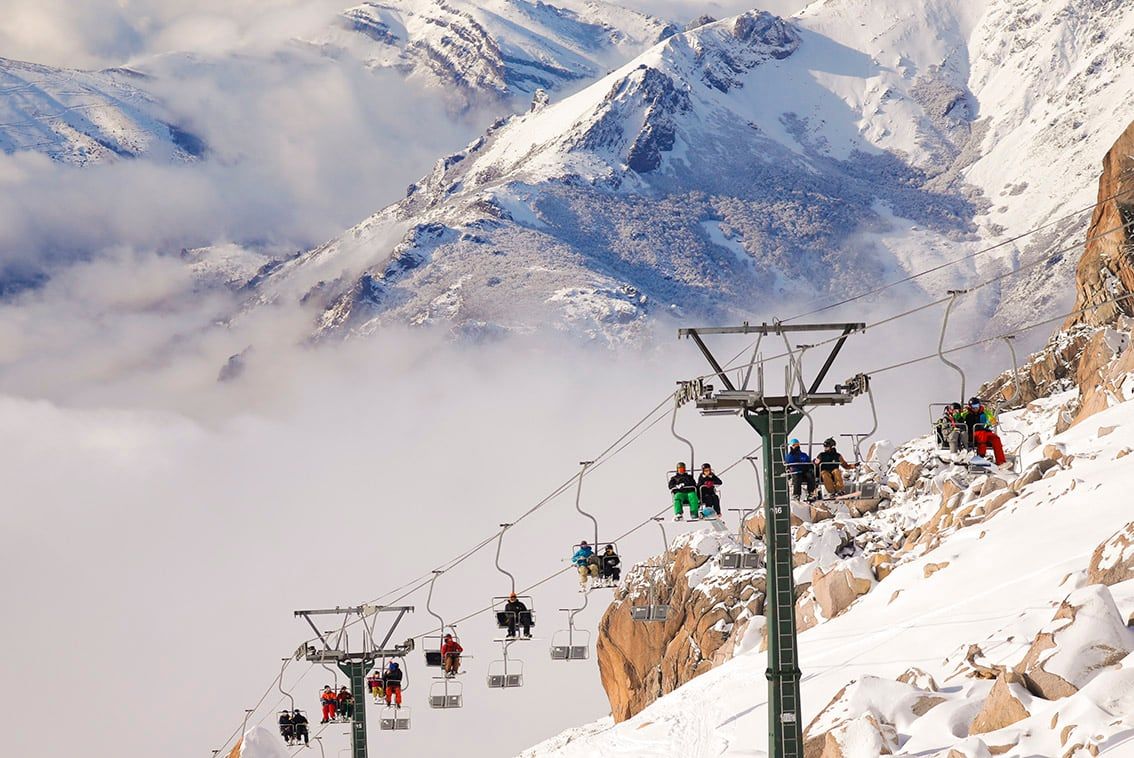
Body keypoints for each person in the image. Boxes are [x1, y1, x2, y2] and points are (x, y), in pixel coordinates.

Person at [964, 398, 1006, 465]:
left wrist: (992, 422)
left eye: (977, 405)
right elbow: (958, 417)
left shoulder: (985, 412)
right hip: (974, 432)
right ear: (970, 406)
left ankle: (1001, 461)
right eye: (973, 406)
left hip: (985, 431)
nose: (975, 408)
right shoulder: (967, 413)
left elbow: (991, 419)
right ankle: (981, 456)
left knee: (996, 439)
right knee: (982, 435)